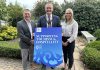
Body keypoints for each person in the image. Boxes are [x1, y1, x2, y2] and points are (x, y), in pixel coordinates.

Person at [37, 1, 61, 70]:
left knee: (53, 52)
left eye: (50, 8)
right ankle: (44, 65)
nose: (48, 9)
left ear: (52, 9)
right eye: (47, 8)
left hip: (53, 40)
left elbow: (59, 28)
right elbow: (38, 27)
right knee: (44, 53)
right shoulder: (41, 18)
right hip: (44, 40)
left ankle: (52, 65)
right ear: (45, 9)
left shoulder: (57, 18)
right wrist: (36, 33)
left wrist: (60, 33)